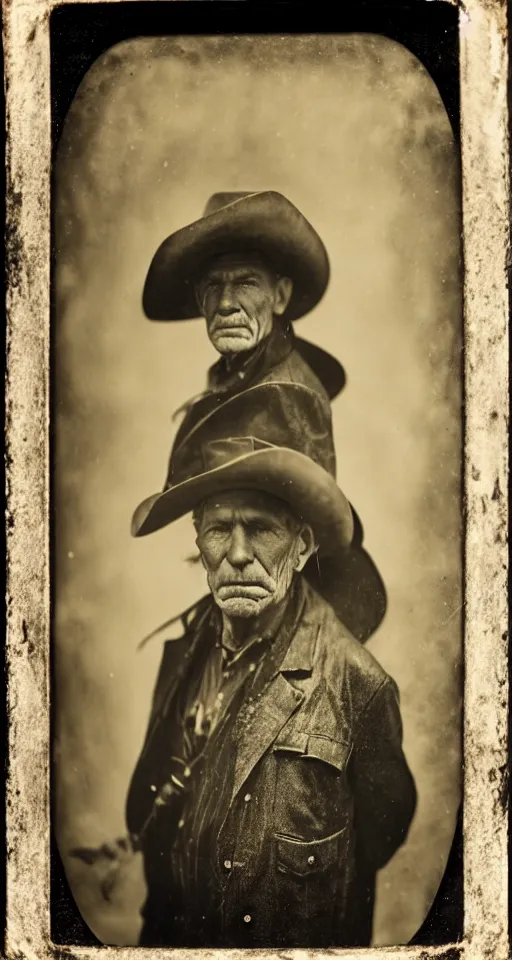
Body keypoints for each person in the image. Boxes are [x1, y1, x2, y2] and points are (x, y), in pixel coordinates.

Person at [125, 382, 417, 948]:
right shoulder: (186, 654)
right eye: (219, 529)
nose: (237, 554)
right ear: (199, 540)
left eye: (261, 529)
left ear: (303, 546)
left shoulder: (359, 683)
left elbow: (381, 832)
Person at [141, 191, 385, 641]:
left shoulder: (288, 395)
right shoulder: (236, 376)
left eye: (246, 283)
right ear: (198, 298)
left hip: (284, 614)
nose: (227, 303)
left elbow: (285, 538)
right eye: (214, 286)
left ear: (280, 295)